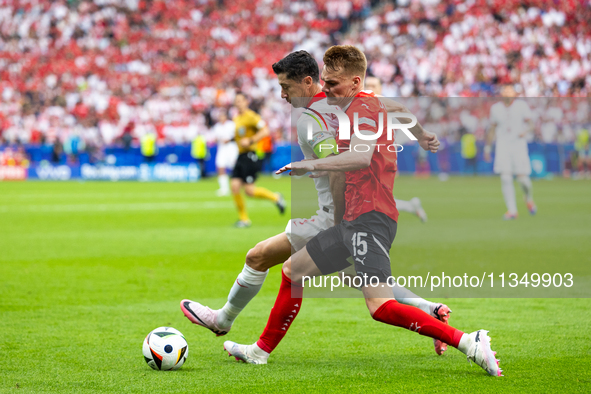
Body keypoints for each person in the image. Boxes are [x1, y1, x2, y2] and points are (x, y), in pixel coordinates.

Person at [223, 46, 502, 377]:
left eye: (333, 84)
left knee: (380, 306)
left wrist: (308, 163)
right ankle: (259, 351)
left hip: (369, 217)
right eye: (324, 82)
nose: (325, 90)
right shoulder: (366, 102)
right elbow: (398, 107)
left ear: (355, 82)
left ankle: (470, 342)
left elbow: (360, 158)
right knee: (292, 270)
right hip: (355, 217)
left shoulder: (363, 111)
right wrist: (422, 134)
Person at [181, 50, 453, 359]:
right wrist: (423, 134)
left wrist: (340, 224)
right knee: (362, 281)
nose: (282, 95)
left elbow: (337, 167)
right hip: (362, 212)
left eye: (286, 87)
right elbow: (395, 107)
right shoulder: (348, 101)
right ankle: (431, 309)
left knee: (260, 258)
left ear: (308, 81)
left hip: (335, 218)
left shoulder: (311, 120)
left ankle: (228, 324)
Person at [365, 76, 428, 222]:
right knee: (374, 199)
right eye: (367, 85)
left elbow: (396, 135)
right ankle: (411, 206)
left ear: (381, 89)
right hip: (366, 157)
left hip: (379, 159)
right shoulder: (361, 106)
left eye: (373, 86)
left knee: (373, 199)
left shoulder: (388, 107)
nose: (370, 88)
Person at [230, 92, 286, 227]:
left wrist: (251, 140)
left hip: (250, 155)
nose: (238, 103)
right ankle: (244, 219)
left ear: (246, 102)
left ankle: (276, 197)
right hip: (240, 155)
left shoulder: (252, 117)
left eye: (240, 101)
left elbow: (265, 131)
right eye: (236, 101)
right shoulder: (237, 118)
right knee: (234, 186)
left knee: (249, 191)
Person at [485, 85, 537, 220]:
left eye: (510, 91)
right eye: (505, 91)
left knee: (523, 179)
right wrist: (487, 148)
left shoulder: (521, 106)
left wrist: (525, 131)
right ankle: (512, 211)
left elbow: (531, 124)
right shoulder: (495, 108)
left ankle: (528, 197)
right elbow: (492, 129)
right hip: (503, 146)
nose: (507, 93)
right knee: (505, 177)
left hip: (518, 145)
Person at [211, 110, 238, 196]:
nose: (221, 118)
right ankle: (224, 188)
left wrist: (229, 140)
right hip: (222, 148)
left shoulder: (231, 125)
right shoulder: (217, 127)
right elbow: (215, 137)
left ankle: (238, 186)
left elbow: (237, 136)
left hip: (231, 147)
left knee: (235, 167)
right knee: (220, 167)